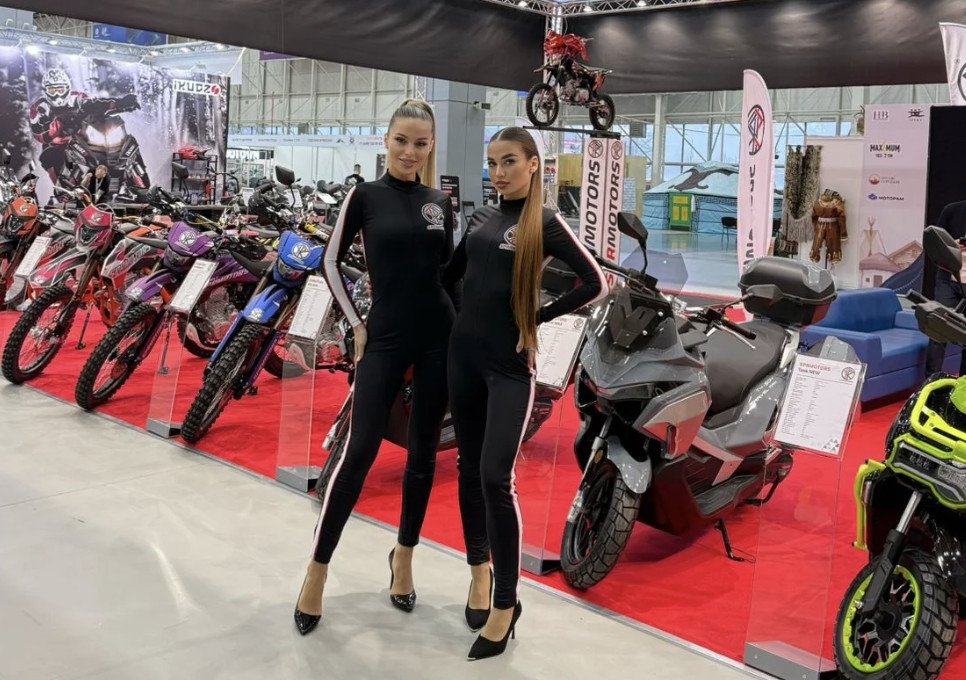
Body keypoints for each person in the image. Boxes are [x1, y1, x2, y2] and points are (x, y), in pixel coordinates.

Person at [444, 126, 607, 660]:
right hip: (463, 358)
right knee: (469, 468)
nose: (498, 172)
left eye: (509, 161)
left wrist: (537, 319)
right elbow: (450, 276)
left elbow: (594, 282)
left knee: (496, 477)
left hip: (508, 367)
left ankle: (506, 603)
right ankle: (479, 574)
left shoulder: (546, 223)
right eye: (492, 163)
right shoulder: (480, 219)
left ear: (534, 164)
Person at [294, 99, 455, 635]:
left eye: (421, 143)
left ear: (431, 146)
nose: (410, 151)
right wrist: (357, 323)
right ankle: (317, 569)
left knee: (423, 454)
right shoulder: (364, 195)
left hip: (437, 339)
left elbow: (450, 274)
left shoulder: (440, 202)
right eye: (402, 140)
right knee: (358, 451)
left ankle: (404, 557)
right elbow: (330, 259)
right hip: (382, 338)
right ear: (386, 140)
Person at [926, 200, 966, 376]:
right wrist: (952, 245)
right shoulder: (952, 210)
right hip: (948, 279)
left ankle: (963, 384)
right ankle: (931, 380)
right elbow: (933, 242)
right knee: (938, 330)